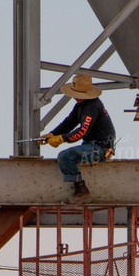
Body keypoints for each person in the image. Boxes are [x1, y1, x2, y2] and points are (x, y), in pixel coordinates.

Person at [40, 75, 116, 204]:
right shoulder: (82, 105)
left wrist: (61, 138)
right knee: (67, 155)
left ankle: (82, 192)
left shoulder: (92, 106)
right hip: (92, 146)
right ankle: (80, 190)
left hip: (99, 149)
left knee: (65, 156)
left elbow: (82, 131)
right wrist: (52, 134)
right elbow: (69, 122)